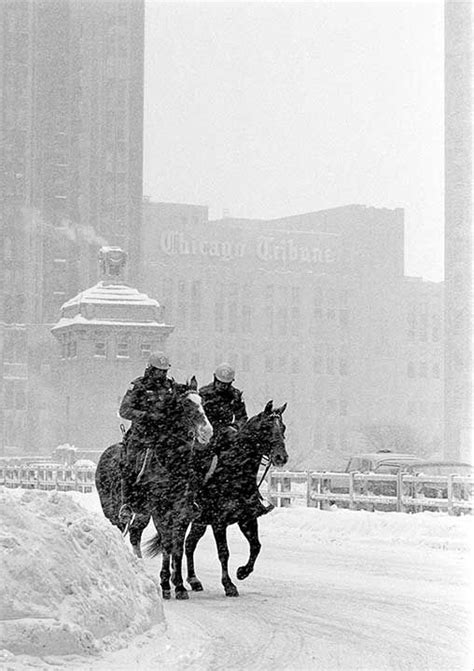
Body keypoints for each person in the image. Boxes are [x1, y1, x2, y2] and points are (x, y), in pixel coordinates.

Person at [118, 350, 178, 525]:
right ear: (150, 369)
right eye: (158, 371)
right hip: (141, 436)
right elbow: (124, 410)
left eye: (164, 371)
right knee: (130, 465)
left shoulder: (171, 387)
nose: (161, 374)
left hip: (166, 436)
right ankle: (127, 504)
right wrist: (147, 416)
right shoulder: (138, 385)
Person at [198, 363, 248, 454]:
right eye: (219, 383)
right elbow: (197, 414)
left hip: (226, 434)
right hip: (206, 432)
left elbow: (242, 417)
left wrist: (235, 427)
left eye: (225, 384)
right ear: (214, 379)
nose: (222, 386)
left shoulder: (235, 395)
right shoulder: (203, 393)